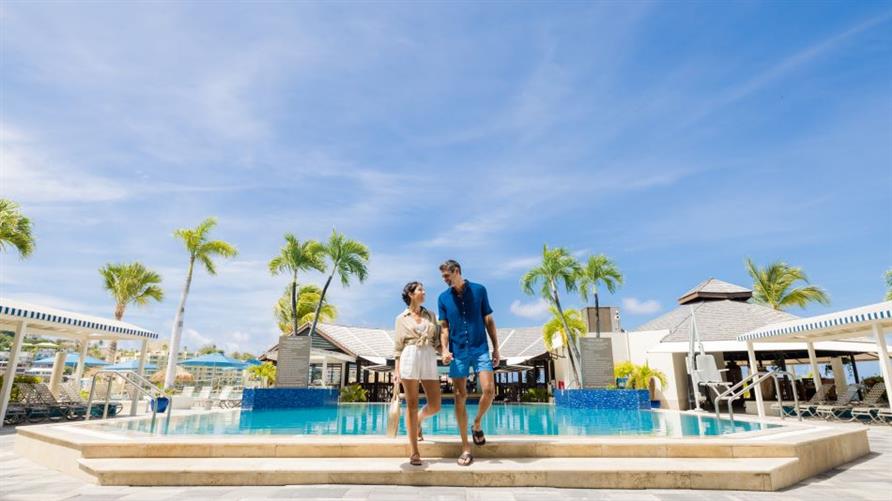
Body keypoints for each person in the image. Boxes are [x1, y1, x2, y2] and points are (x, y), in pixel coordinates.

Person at [437, 259, 499, 466]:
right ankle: (465, 447)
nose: (445, 280)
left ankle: (477, 423)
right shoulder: (443, 298)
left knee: (489, 390)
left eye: (447, 275)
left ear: (457, 271)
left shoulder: (480, 290)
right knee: (459, 395)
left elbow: (489, 320)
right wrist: (444, 349)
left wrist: (496, 348)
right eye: (443, 276)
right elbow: (444, 328)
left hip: (480, 348)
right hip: (458, 352)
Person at [392, 281, 442, 466]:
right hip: (409, 355)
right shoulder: (401, 318)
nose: (424, 292)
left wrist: (444, 351)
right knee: (412, 404)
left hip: (428, 354)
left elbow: (437, 341)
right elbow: (397, 347)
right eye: (420, 289)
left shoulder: (431, 315)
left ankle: (420, 419)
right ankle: (414, 451)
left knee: (435, 405)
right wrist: (396, 371)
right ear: (411, 294)